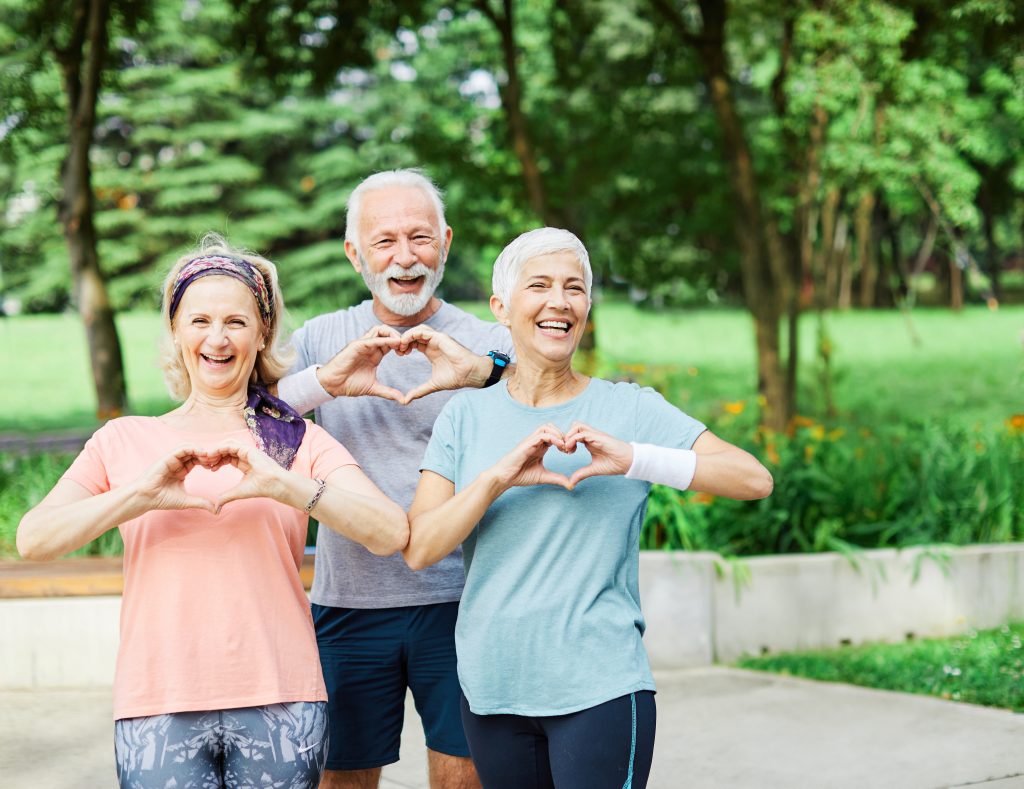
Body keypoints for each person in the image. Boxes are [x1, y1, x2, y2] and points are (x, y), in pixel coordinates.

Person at [17, 238, 408, 789]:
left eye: (236, 322)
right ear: (176, 332)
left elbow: (390, 531)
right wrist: (140, 494)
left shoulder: (294, 440)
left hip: (283, 697)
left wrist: (284, 484)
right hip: (158, 699)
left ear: (262, 334)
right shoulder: (124, 439)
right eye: (199, 319)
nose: (218, 338)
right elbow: (34, 538)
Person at [403, 227, 775, 789]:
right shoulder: (464, 417)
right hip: (492, 687)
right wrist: (498, 478)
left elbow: (754, 479)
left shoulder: (629, 409)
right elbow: (421, 548)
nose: (560, 301)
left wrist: (634, 458)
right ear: (501, 308)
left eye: (574, 288)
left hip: (599, 684)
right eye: (540, 285)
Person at [275, 169, 514, 788]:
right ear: (355, 253)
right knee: (341, 780)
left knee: (465, 777)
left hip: (462, 600)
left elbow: (534, 384)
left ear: (446, 242)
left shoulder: (488, 339)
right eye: (384, 242)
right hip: (348, 602)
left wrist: (481, 373)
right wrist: (325, 381)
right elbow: (252, 417)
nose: (404, 258)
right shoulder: (320, 338)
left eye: (420, 238)